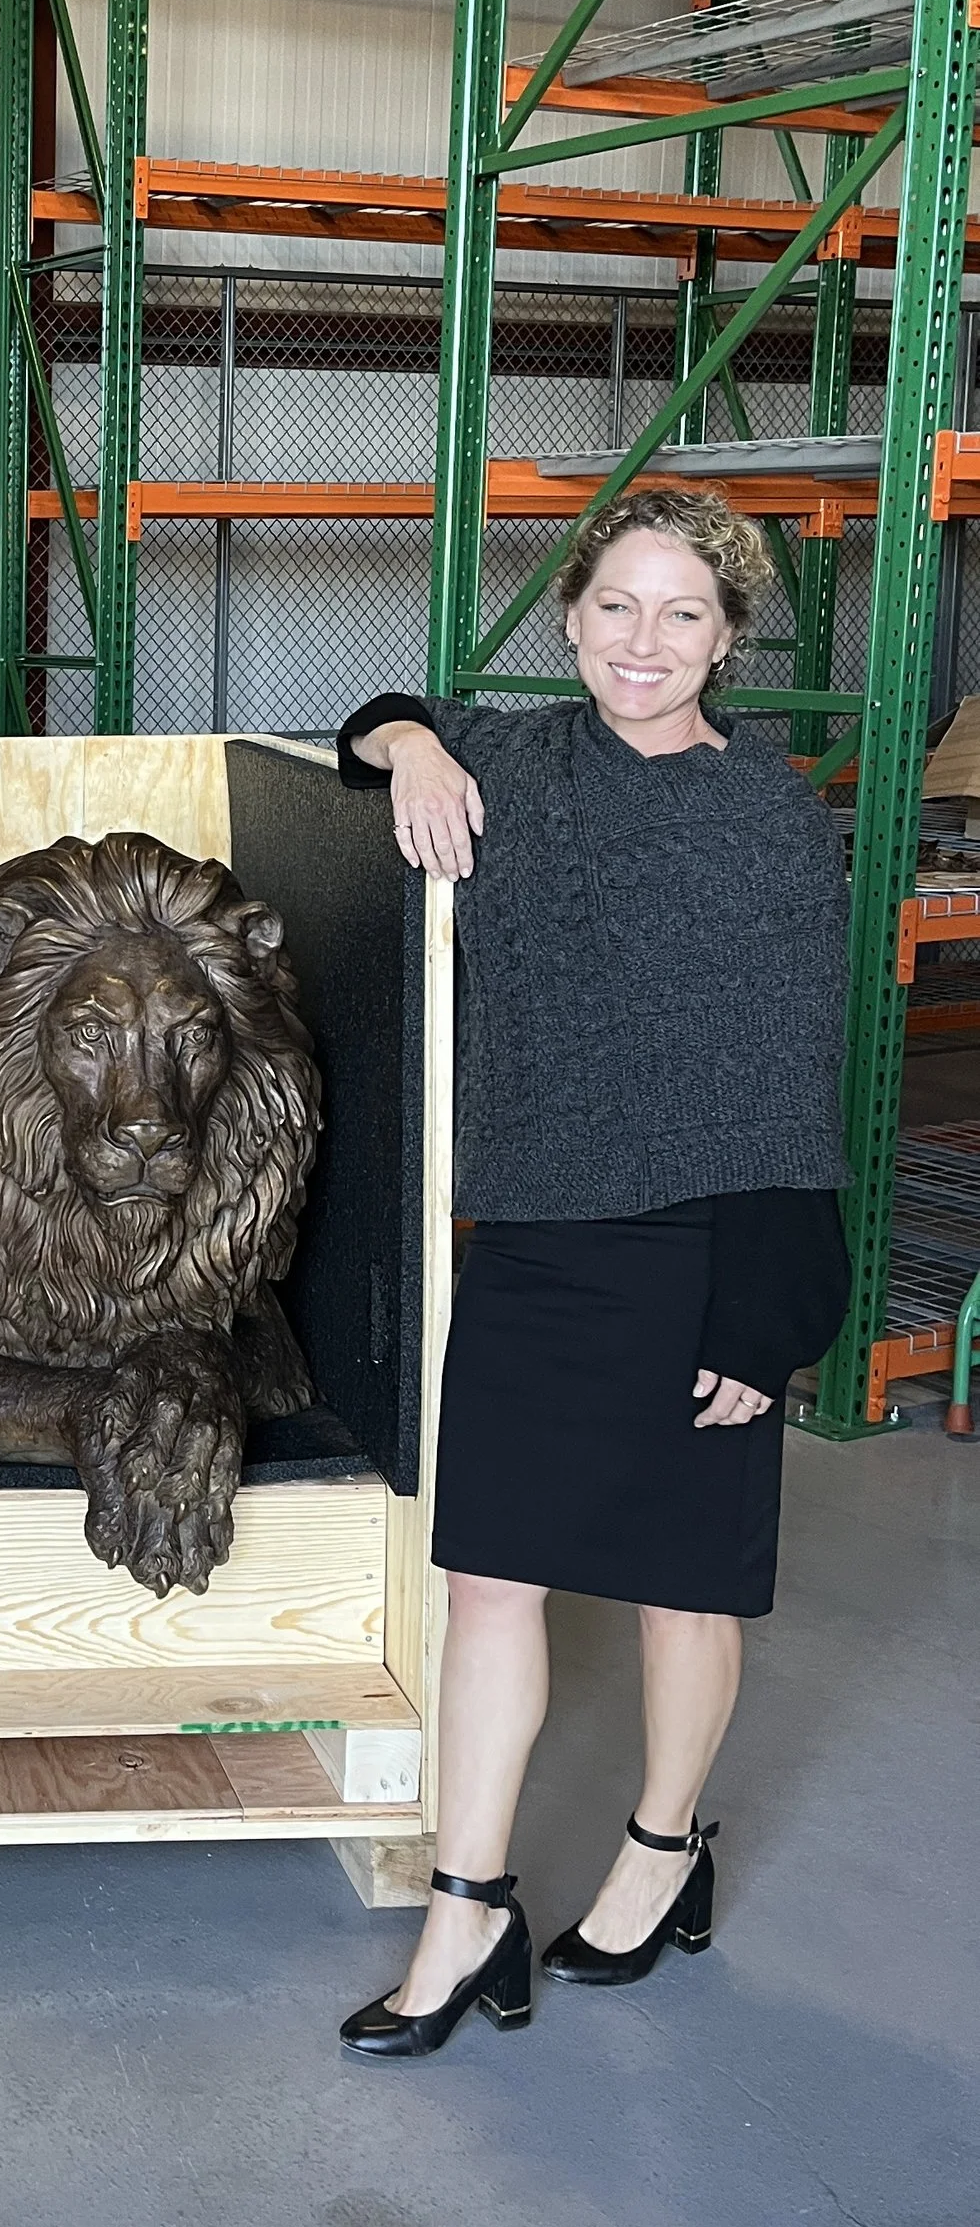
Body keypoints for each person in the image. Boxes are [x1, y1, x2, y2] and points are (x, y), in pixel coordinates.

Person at [332, 485, 851, 2061]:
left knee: (683, 1592)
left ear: (729, 641)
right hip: (544, 1240)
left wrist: (772, 1300)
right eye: (616, 606)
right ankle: (467, 1905)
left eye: (683, 613)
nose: (645, 641)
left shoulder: (769, 810)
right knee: (490, 1579)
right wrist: (413, 745)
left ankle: (662, 1850)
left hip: (712, 1247)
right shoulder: (508, 759)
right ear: (569, 619)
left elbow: (796, 1060)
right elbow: (372, 718)